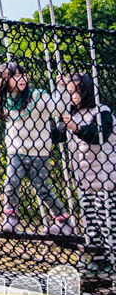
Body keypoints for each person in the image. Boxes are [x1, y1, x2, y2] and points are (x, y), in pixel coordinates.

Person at [0, 62, 74, 235]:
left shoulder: (37, 95)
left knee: (43, 188)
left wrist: (61, 88)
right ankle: (10, 217)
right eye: (16, 75)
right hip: (16, 150)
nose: (22, 78)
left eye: (23, 74)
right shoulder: (6, 101)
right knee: (11, 182)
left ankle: (62, 220)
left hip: (39, 151)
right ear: (5, 80)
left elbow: (58, 110)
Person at [60, 73, 116, 274]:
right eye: (70, 93)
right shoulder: (70, 114)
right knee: (90, 222)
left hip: (106, 179)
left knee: (107, 221)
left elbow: (97, 135)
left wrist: (75, 127)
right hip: (84, 180)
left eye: (77, 92)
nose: (73, 97)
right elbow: (56, 135)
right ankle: (96, 260)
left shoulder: (102, 112)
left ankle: (112, 260)